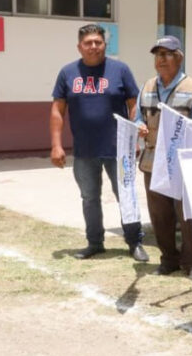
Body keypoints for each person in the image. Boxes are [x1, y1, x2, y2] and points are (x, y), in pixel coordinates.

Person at [50, 24, 146, 262]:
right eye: (88, 42)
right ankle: (95, 243)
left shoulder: (120, 70)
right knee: (89, 197)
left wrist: (133, 137)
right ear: (79, 47)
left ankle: (134, 242)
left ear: (105, 44)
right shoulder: (67, 73)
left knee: (126, 195)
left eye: (98, 42)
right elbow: (57, 110)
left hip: (119, 149)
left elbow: (134, 104)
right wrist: (56, 144)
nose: (93, 46)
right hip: (84, 149)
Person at [135, 35, 192, 281]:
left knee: (187, 214)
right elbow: (137, 117)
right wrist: (139, 125)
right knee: (159, 215)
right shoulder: (146, 87)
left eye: (167, 54)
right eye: (158, 55)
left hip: (182, 164)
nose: (162, 59)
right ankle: (168, 259)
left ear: (179, 57)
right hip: (152, 162)